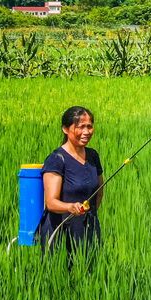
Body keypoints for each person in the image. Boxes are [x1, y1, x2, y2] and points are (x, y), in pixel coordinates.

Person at [40, 106, 104, 252]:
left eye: (89, 126)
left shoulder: (93, 156)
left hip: (88, 229)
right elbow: (51, 202)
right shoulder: (57, 159)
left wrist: (89, 216)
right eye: (80, 127)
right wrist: (70, 207)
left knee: (90, 272)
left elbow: (99, 191)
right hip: (61, 232)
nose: (86, 132)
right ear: (65, 129)